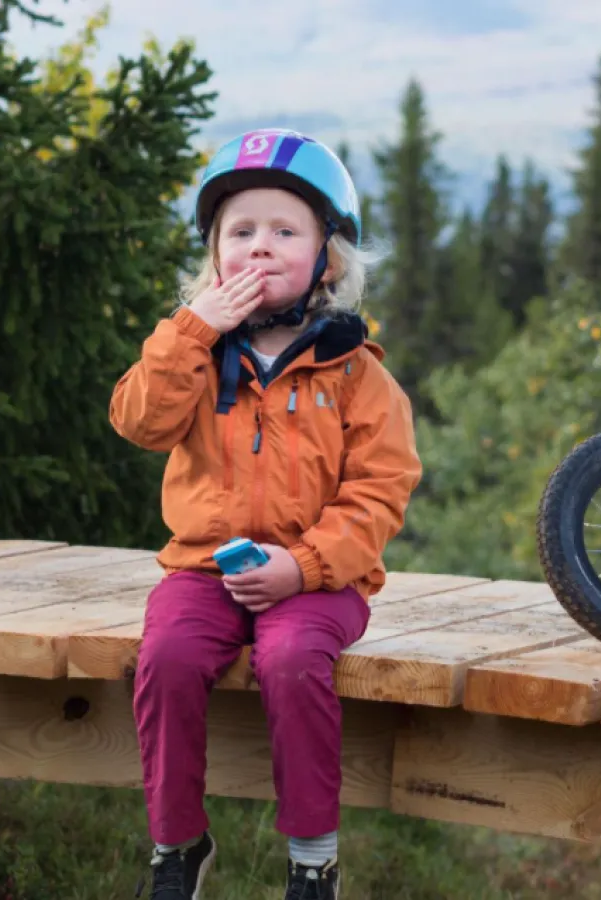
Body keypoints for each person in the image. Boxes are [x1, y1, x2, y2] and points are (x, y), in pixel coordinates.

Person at [108, 128, 422, 900]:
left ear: (328, 257)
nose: (260, 248)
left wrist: (304, 566)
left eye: (285, 232)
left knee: (290, 661)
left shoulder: (355, 374)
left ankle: (313, 856)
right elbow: (139, 422)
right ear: (213, 256)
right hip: (205, 568)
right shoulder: (196, 351)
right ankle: (177, 841)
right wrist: (193, 328)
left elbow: (379, 491)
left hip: (321, 580)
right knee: (169, 658)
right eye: (239, 232)